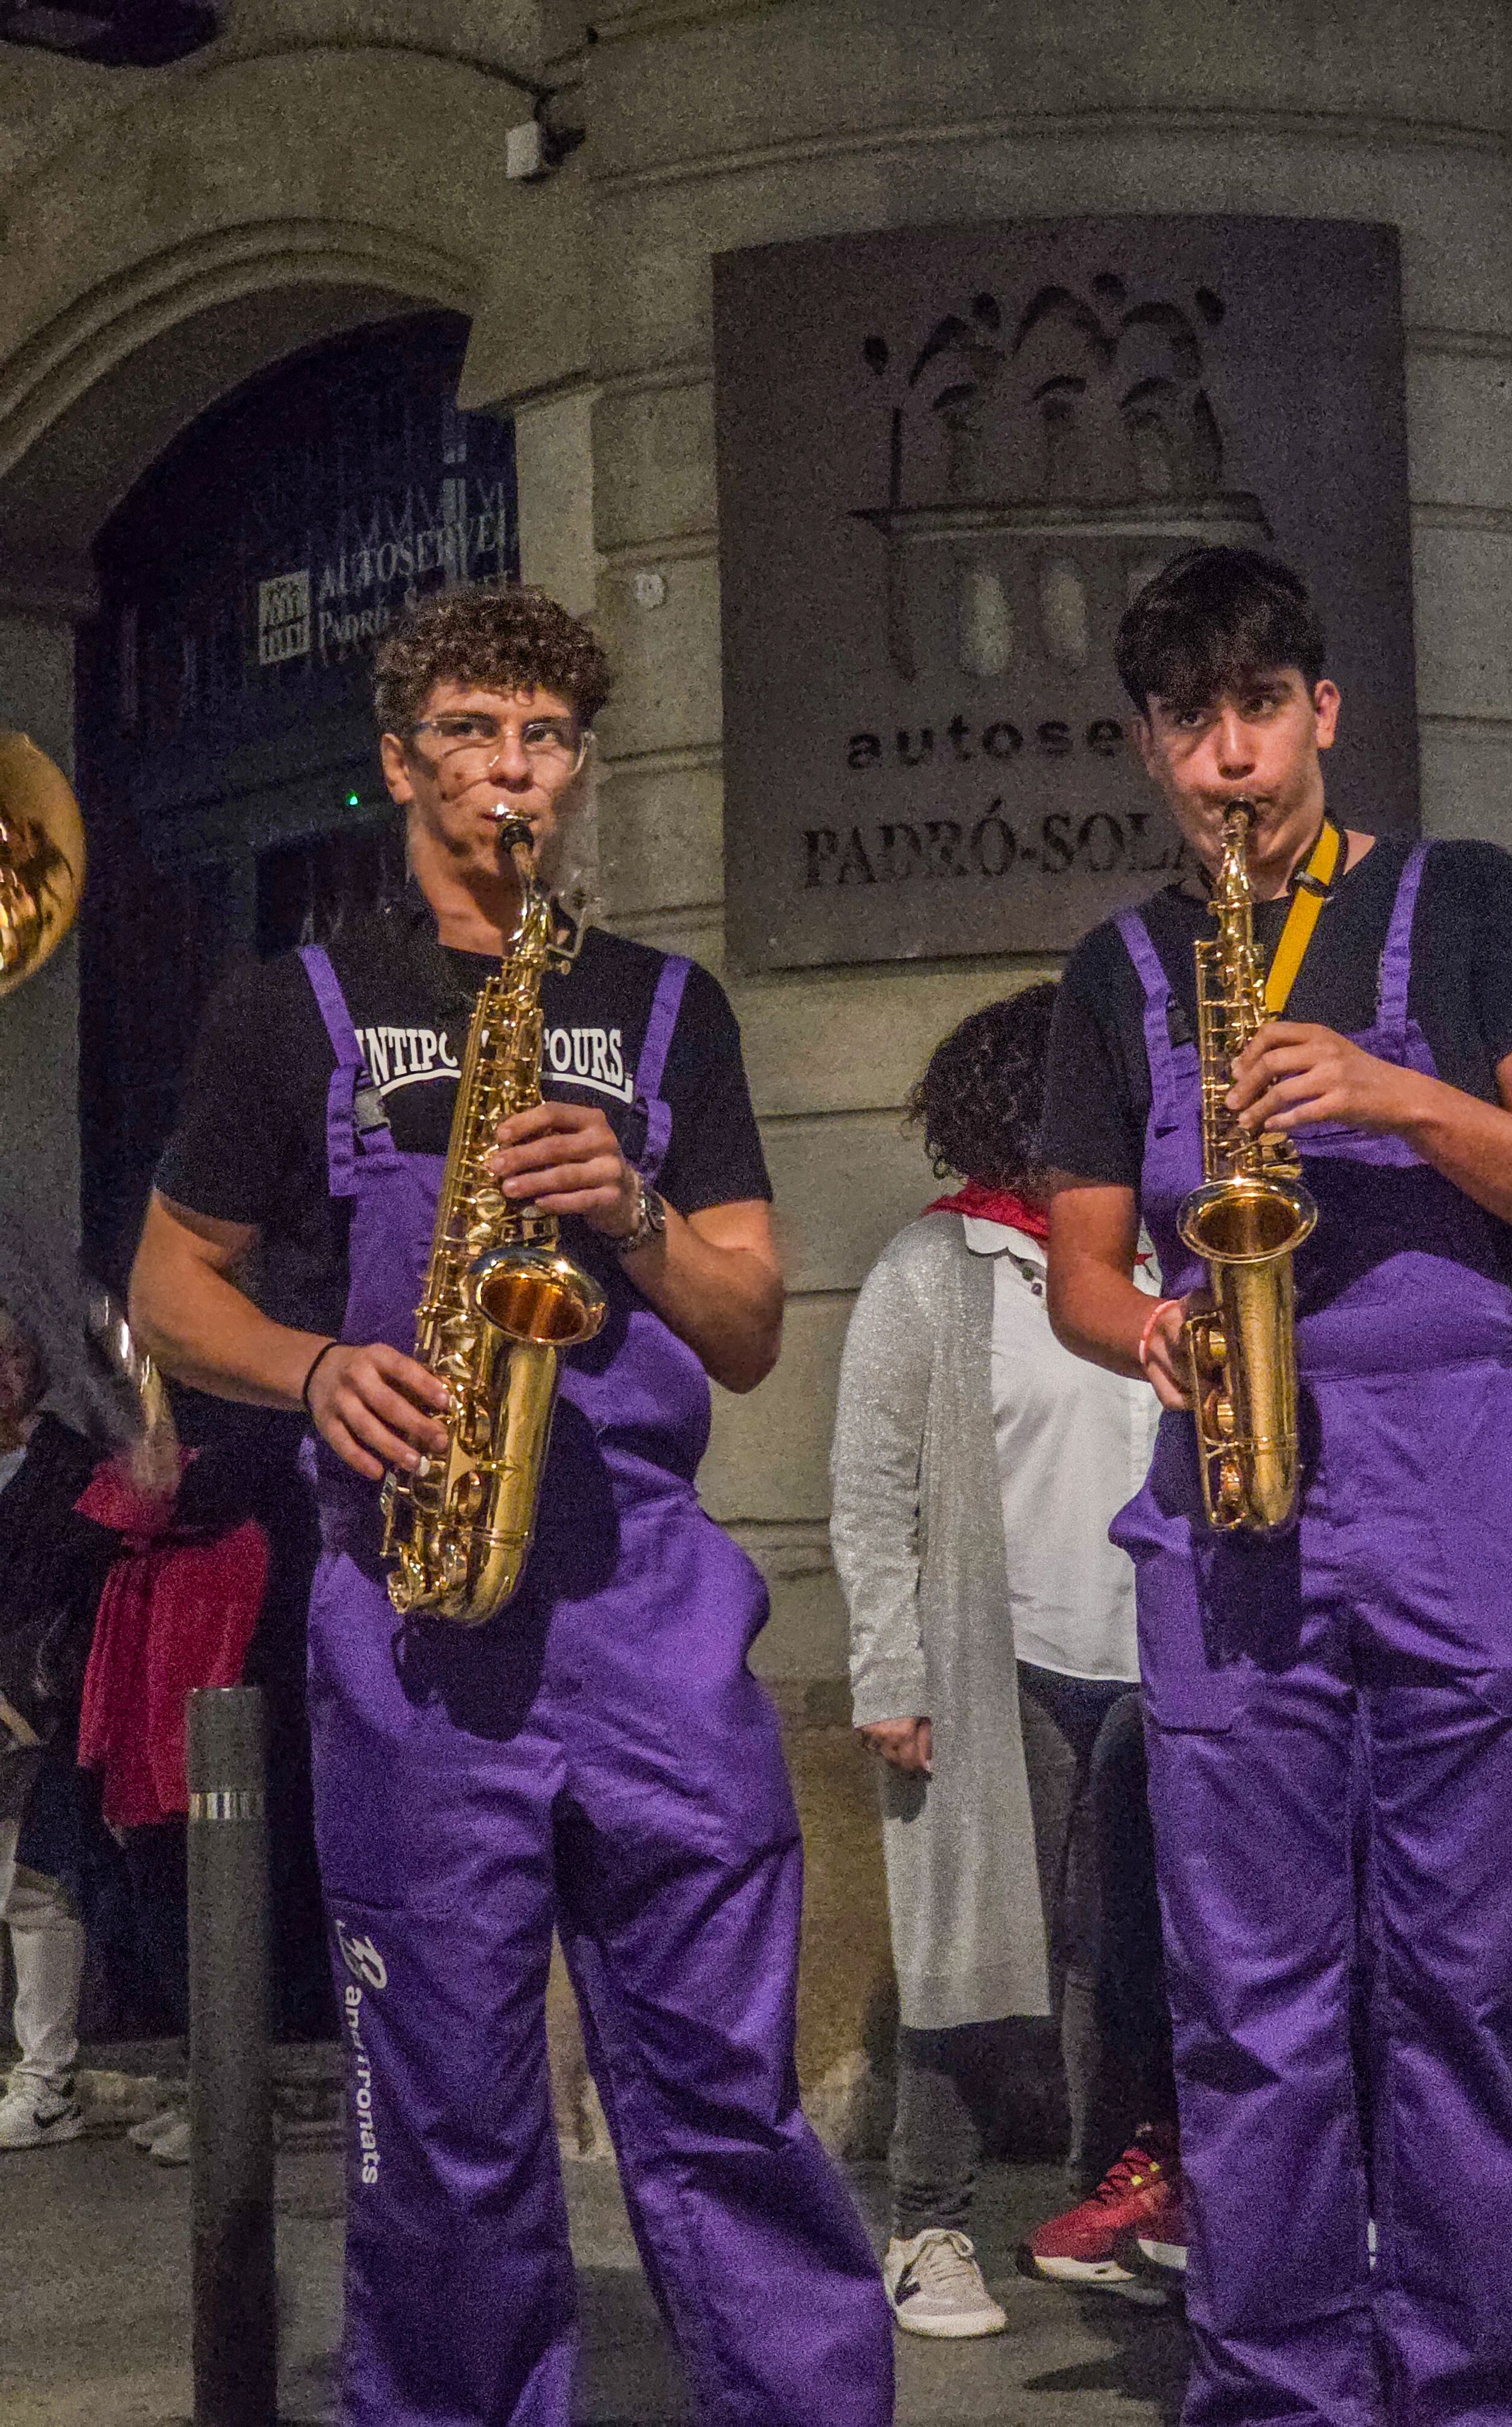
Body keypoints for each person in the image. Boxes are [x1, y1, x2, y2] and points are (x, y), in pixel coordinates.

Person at [129, 586, 892, 2427]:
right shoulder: (287, 1008)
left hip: (645, 1607)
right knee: (452, 2118)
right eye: (472, 734)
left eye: (543, 740)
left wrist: (630, 1212)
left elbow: (748, 1327)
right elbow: (168, 1287)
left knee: (724, 2084)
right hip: (416, 1618)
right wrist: (314, 1369)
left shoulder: (662, 1009)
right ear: (403, 762)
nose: (510, 774)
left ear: (579, 768)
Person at [1039, 545, 1512, 2426]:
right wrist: (1149, 1336)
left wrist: (1386, 1097)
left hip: (1456, 1492)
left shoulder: (1465, 903)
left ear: (1325, 712)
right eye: (1193, 725)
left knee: (1461, 1996)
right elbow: (1080, 1268)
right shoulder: (1118, 969)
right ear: (1150, 744)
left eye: (1261, 712)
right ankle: (1275, 2386)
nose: (1232, 760)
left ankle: (1469, 2385)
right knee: (1249, 2011)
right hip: (1233, 1500)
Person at [831, 983, 1167, 2337]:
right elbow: (870, 1490)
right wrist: (889, 1668)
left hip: (1151, 1655)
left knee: (1127, 1954)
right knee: (971, 1949)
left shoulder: (1157, 1257)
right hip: (999, 1654)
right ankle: (932, 2220)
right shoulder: (936, 1266)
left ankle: (1108, 2205)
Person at [0, 1303, 112, 2152]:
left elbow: (72, 1580)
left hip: (33, 1707)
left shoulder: (63, 1462)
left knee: (35, 1892)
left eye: (8, 1354)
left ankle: (47, 2083)